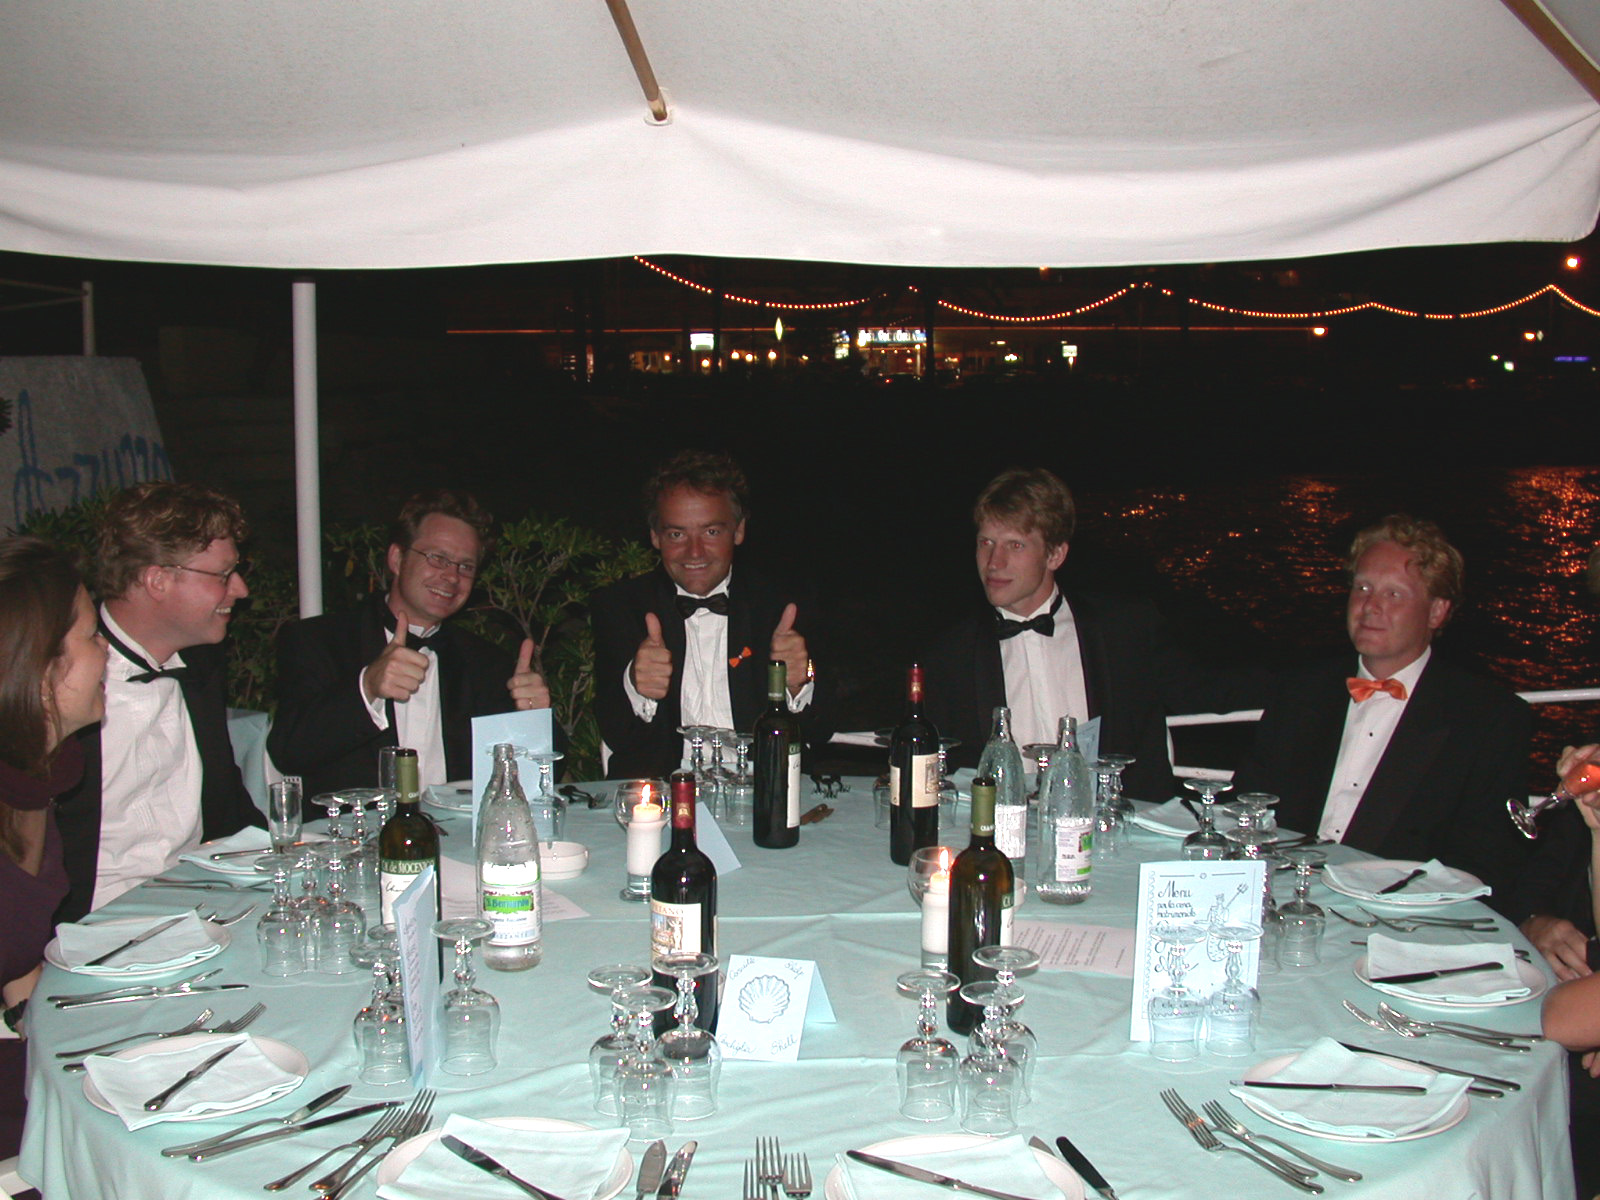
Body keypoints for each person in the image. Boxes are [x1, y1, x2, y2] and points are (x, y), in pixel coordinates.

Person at [1234, 513, 1531, 907]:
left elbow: (1486, 861)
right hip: (1283, 897)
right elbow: (1247, 803)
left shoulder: (1488, 718)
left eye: (1393, 594)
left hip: (1399, 912)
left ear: (1437, 612)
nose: (1370, 606)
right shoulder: (1301, 690)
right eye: (1363, 587)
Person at [923, 467, 1251, 802]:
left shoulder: (1125, 629)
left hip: (1118, 820)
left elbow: (1204, 690)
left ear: (1055, 555)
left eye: (1015, 545)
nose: (994, 562)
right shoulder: (952, 654)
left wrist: (1286, 690)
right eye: (986, 543)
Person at [53, 482, 263, 922]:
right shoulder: (57, 680)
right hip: (89, 928)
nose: (241, 590)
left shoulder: (200, 663)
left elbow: (229, 810)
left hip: (203, 911)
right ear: (158, 580)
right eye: (223, 575)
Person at [269, 489, 552, 799]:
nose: (451, 576)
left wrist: (533, 721)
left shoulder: (485, 662)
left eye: (465, 566)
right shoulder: (319, 641)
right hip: (355, 827)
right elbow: (287, 753)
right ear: (397, 559)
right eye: (438, 558)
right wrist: (367, 688)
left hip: (457, 827)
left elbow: (539, 780)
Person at [590, 450, 823, 779]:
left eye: (711, 532)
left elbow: (823, 728)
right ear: (655, 536)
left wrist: (799, 684)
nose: (695, 552)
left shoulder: (781, 605)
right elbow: (616, 735)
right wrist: (636, 688)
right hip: (665, 793)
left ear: (738, 531)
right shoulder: (622, 606)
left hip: (764, 790)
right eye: (677, 534)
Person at [0, 538, 109, 1158]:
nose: (106, 653)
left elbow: (15, 952)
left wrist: (37, 1027)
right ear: (41, 669)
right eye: (92, 637)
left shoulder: (33, 780)